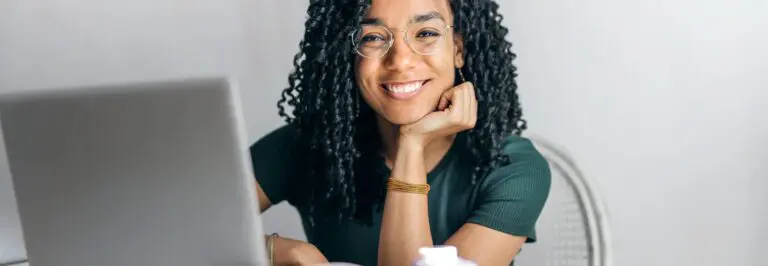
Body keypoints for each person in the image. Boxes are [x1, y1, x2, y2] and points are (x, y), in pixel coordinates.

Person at [250, 0, 551, 265]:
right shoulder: (308, 145)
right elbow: (203, 220)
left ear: (458, 49)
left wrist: (412, 143)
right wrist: (276, 249)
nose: (400, 61)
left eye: (426, 33)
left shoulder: (513, 169)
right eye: (373, 38)